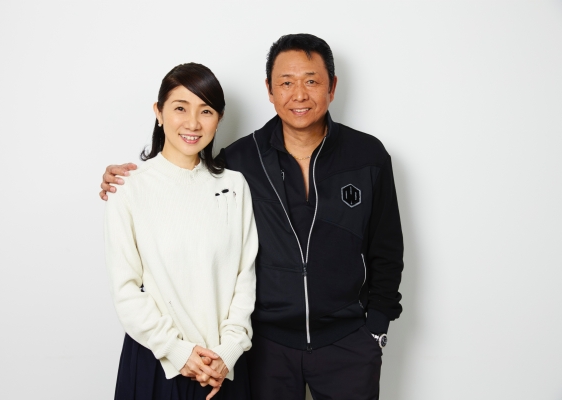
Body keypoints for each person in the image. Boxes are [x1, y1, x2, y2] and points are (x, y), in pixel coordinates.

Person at [101, 34, 403, 400]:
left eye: (311, 81)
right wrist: (125, 179)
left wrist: (376, 330)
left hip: (346, 343)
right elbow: (182, 178)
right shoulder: (241, 161)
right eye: (286, 83)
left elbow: (387, 249)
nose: (299, 94)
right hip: (266, 350)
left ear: (332, 87)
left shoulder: (366, 156)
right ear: (269, 90)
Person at [104, 63, 257, 400]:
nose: (193, 123)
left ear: (219, 119)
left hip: (223, 367)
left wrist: (229, 350)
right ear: (158, 113)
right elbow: (125, 289)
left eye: (206, 111)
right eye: (180, 108)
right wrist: (177, 350)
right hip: (156, 363)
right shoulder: (128, 188)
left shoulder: (234, 186)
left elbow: (245, 277)